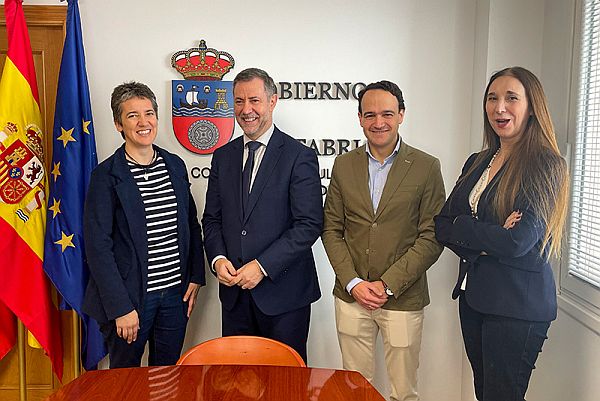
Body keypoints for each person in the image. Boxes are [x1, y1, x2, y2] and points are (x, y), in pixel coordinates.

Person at [434, 67, 569, 401]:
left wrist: (464, 228)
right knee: (485, 394)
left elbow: (517, 241)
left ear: (532, 106)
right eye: (492, 98)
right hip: (475, 297)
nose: (499, 108)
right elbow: (441, 224)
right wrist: (482, 232)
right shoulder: (478, 160)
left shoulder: (545, 165)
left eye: (511, 98)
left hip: (517, 305)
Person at [322, 80, 445, 401]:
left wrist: (388, 284)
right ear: (360, 118)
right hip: (351, 297)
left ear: (402, 115)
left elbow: (432, 236)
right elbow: (331, 228)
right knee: (354, 390)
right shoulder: (344, 164)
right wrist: (352, 282)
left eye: (388, 114)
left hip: (403, 298)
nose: (379, 122)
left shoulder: (426, 166)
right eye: (370, 114)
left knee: (403, 393)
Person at [201, 68, 322, 363]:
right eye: (239, 102)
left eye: (254, 100)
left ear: (272, 101)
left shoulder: (298, 155)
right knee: (236, 384)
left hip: (284, 298)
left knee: (285, 385)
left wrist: (262, 266)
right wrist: (217, 260)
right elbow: (212, 219)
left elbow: (309, 225)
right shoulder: (223, 156)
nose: (246, 110)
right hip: (234, 297)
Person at [83, 82, 205, 368]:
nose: (143, 122)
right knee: (126, 382)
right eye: (132, 115)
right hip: (131, 300)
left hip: (175, 297)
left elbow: (190, 223)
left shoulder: (174, 165)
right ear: (118, 124)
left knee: (166, 376)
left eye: (149, 113)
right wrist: (121, 308)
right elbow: (98, 247)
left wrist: (196, 276)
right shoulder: (106, 176)